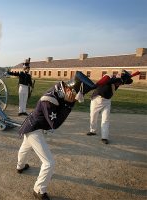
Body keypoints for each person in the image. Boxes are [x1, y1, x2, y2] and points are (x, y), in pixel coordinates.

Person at [16, 71, 96, 200]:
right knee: (49, 163)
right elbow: (55, 124)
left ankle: (20, 166)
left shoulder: (60, 89)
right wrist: (68, 105)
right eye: (75, 93)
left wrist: (68, 102)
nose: (75, 97)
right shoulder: (49, 100)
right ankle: (39, 190)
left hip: (33, 125)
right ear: (70, 89)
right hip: (34, 129)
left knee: (25, 147)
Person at [87, 70, 138, 144]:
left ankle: (104, 137)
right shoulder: (109, 76)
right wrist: (121, 79)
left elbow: (130, 81)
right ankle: (92, 131)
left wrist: (127, 78)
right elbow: (107, 81)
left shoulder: (121, 80)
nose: (120, 84)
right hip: (97, 99)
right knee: (93, 116)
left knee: (106, 119)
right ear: (118, 74)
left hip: (107, 101)